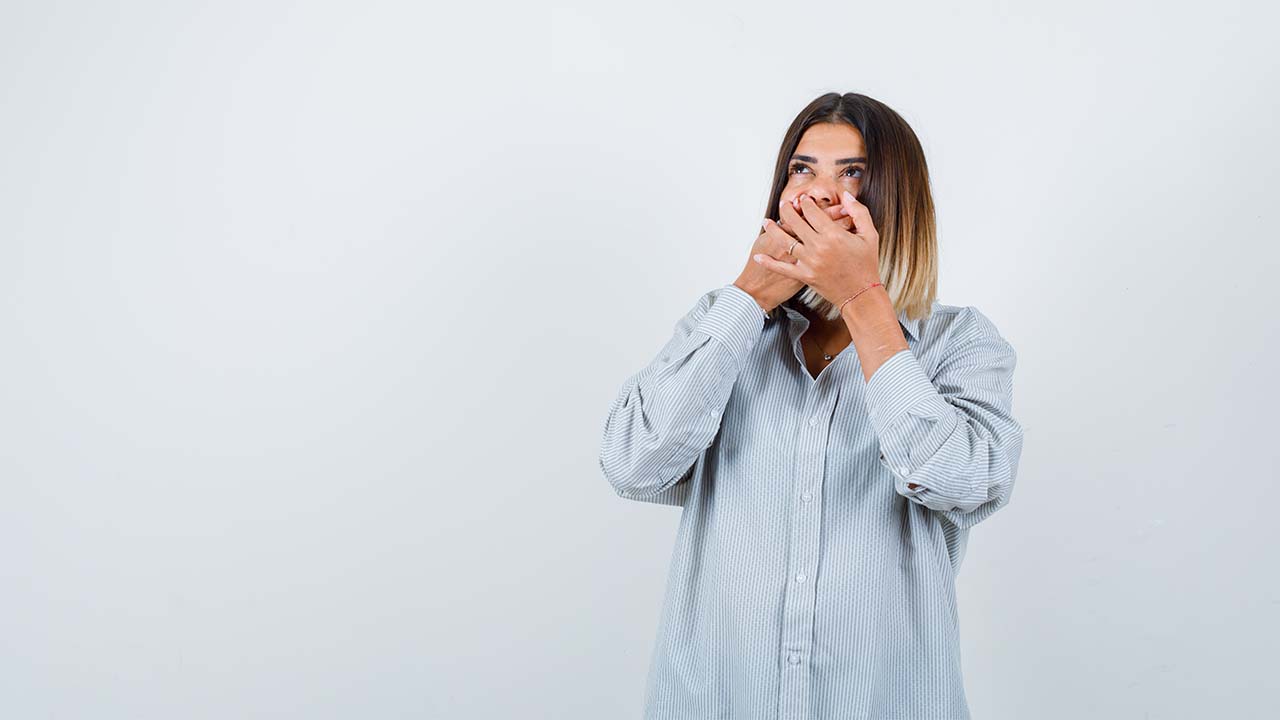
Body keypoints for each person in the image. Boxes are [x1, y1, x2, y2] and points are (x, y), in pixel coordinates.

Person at [597, 92, 1025, 720]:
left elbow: (968, 483)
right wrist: (748, 297)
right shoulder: (722, 324)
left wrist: (864, 300)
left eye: (852, 172)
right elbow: (632, 465)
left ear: (897, 199)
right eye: (803, 169)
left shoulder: (959, 342)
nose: (821, 192)